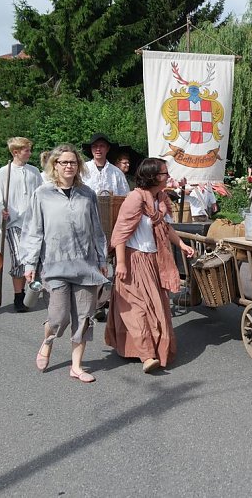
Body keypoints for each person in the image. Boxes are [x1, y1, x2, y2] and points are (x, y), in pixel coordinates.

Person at [20, 144, 109, 383]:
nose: (69, 166)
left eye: (73, 162)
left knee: (84, 317)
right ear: (54, 165)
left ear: (78, 166)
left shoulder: (88, 194)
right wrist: (30, 264)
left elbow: (97, 230)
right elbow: (33, 230)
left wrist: (102, 259)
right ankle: (48, 341)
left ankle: (76, 366)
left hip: (85, 265)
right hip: (55, 264)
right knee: (58, 317)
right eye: (64, 162)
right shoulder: (42, 194)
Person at [105, 158, 195, 373]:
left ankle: (151, 349)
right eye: (164, 173)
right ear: (152, 176)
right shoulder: (135, 199)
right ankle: (147, 356)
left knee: (155, 307)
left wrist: (182, 244)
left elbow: (165, 227)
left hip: (154, 259)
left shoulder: (160, 199)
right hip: (133, 259)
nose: (168, 177)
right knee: (136, 308)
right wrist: (121, 263)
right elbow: (120, 233)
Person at [0, 137, 43, 312]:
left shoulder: (34, 171)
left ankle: (31, 290)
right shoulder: (4, 172)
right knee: (19, 260)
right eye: (26, 150)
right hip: (14, 223)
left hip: (33, 222)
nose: (30, 153)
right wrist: (1, 211)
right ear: (16, 152)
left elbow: (41, 194)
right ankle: (18, 295)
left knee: (34, 258)